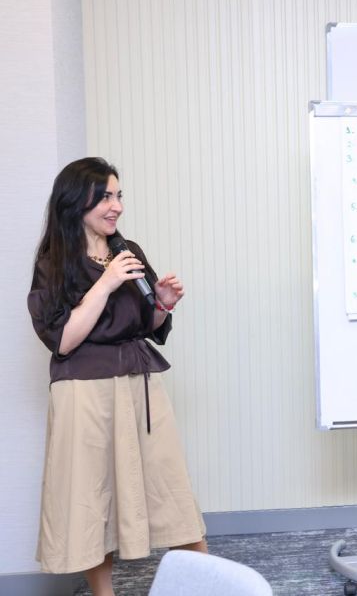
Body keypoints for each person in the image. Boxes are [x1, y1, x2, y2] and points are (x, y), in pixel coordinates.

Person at [27, 157, 207, 595]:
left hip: (138, 382)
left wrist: (162, 304)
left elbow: (145, 324)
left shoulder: (129, 250)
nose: (117, 206)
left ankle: (208, 585)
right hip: (84, 392)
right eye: (105, 197)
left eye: (118, 195)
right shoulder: (55, 263)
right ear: (76, 202)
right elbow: (63, 339)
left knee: (170, 490)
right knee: (94, 500)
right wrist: (106, 282)